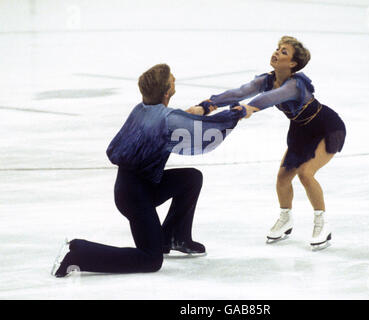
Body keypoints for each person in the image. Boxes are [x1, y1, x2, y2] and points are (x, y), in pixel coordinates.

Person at [51, 63, 251, 277]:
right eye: (172, 79)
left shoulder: (142, 109)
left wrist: (201, 109)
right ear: (167, 91)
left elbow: (175, 120)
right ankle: (78, 253)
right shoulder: (167, 119)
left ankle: (174, 237)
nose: (175, 79)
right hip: (135, 197)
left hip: (141, 185)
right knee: (150, 259)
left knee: (191, 178)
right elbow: (204, 130)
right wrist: (235, 115)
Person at [199, 36, 346, 250]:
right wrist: (209, 104)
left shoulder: (295, 85)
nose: (276, 53)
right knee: (283, 178)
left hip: (327, 128)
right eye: (277, 49)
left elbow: (272, 98)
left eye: (283, 52)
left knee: (306, 174)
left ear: (293, 63)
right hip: (301, 130)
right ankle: (286, 218)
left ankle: (322, 223)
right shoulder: (267, 79)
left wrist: (250, 108)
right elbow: (240, 92)